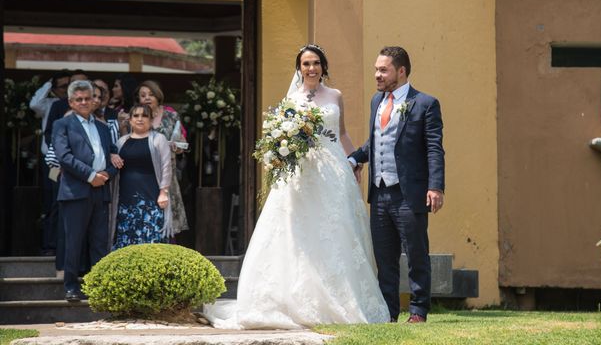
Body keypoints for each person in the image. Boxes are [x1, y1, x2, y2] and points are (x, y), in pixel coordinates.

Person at [205, 44, 389, 329]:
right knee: (298, 233)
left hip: (333, 171)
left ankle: (342, 299)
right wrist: (280, 154)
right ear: (299, 68)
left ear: (323, 67)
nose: (311, 68)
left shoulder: (335, 96)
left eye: (316, 63)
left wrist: (354, 161)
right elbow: (280, 137)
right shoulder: (292, 98)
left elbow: (341, 133)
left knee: (336, 230)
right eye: (306, 64)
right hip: (301, 174)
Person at [349, 46, 445, 324]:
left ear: (400, 72)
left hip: (409, 193)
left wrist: (435, 186)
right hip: (379, 193)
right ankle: (388, 313)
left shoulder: (425, 103)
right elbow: (376, 142)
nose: (377, 75)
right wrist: (354, 158)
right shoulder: (375, 102)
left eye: (383, 70)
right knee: (384, 257)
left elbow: (434, 149)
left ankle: (418, 311)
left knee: (416, 254)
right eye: (376, 69)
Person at [52, 80, 118, 302]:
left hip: (101, 189)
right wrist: (91, 176)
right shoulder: (62, 125)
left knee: (99, 242)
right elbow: (64, 157)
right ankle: (71, 287)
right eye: (78, 99)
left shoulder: (103, 127)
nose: (83, 102)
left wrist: (107, 174)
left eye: (87, 98)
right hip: (75, 191)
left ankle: (98, 287)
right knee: (74, 241)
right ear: (70, 101)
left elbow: (113, 155)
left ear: (93, 101)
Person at [110, 104, 172, 249]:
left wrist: (164, 192)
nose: (140, 119)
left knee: (152, 243)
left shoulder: (158, 139)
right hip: (126, 202)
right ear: (130, 120)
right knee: (126, 242)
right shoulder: (121, 142)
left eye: (144, 116)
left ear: (151, 120)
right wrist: (112, 156)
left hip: (151, 201)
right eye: (136, 116)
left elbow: (166, 167)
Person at [135, 80, 189, 235]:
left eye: (151, 94)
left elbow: (182, 144)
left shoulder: (171, 115)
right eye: (143, 95)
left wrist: (177, 147)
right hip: (144, 176)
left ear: (158, 96)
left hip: (167, 175)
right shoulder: (137, 116)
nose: (147, 98)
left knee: (168, 222)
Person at [30, 70, 71, 255]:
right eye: (63, 86)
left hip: (71, 163)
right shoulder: (50, 104)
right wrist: (48, 84)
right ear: (54, 88)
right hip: (52, 163)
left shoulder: (75, 105)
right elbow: (34, 104)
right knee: (52, 201)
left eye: (69, 85)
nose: (67, 90)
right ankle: (49, 245)